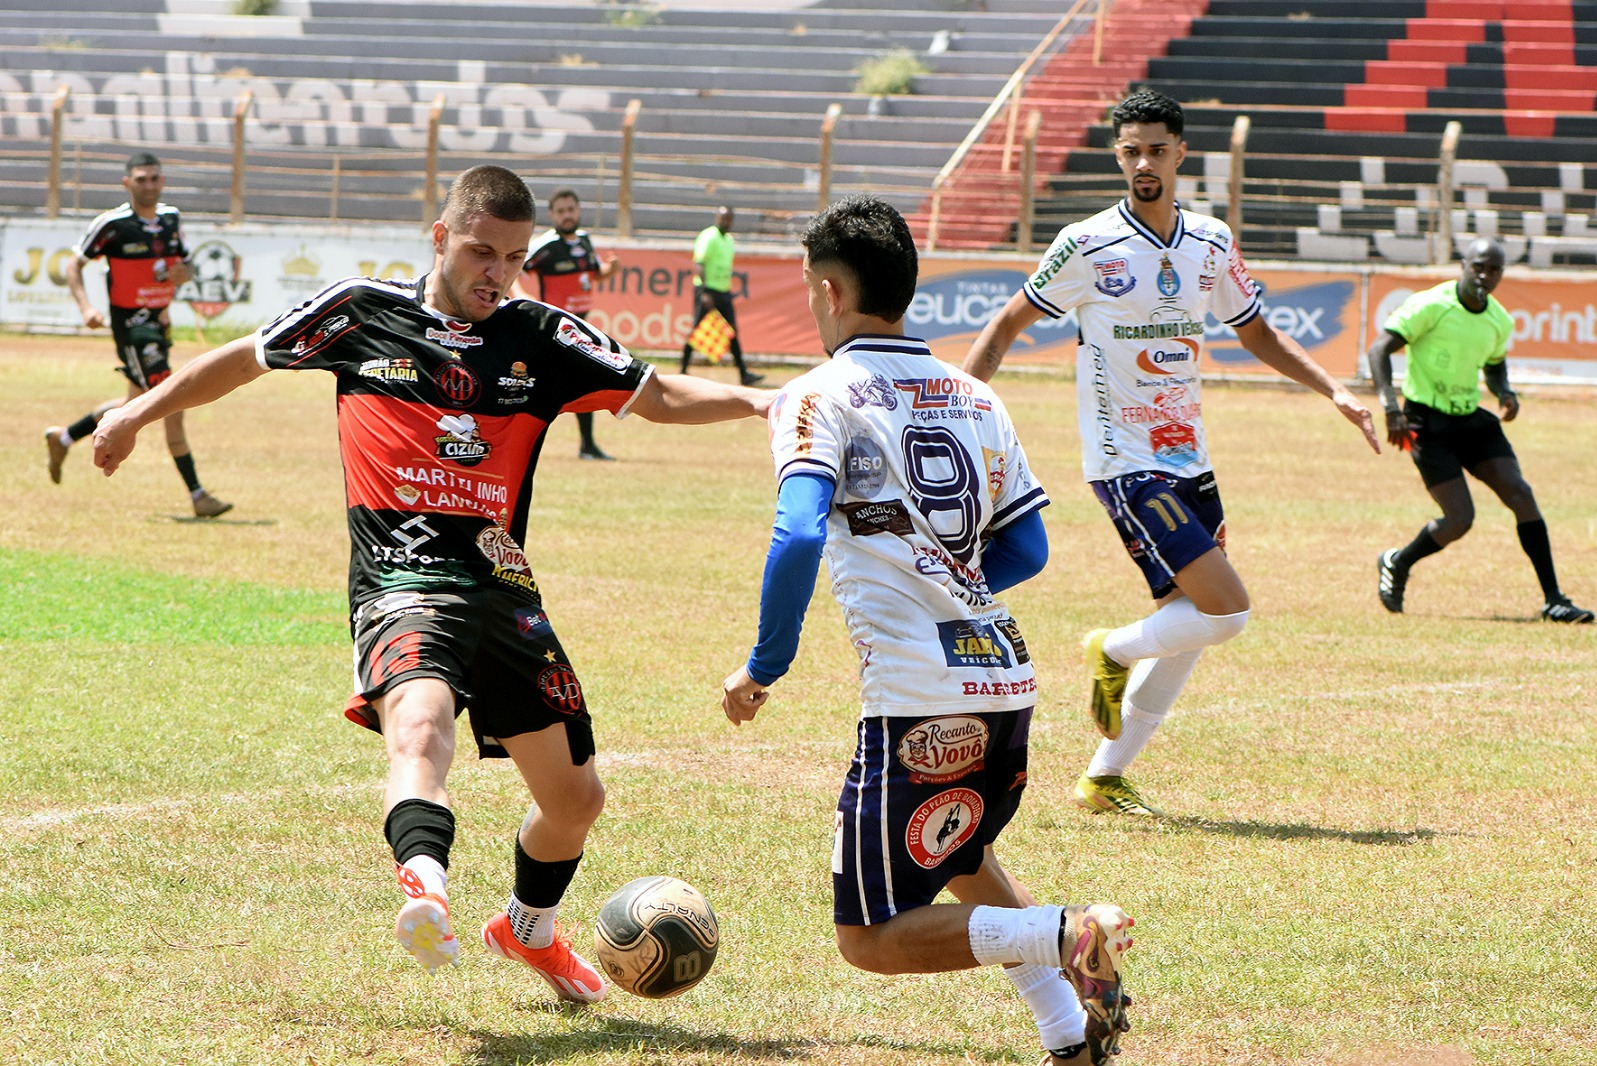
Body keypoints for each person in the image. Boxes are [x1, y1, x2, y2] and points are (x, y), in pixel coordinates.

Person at [93, 165, 772, 1001]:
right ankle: (427, 887)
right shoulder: (362, 312)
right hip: (400, 581)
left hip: (503, 591)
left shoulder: (543, 337)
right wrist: (132, 413)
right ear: (440, 237)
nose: (497, 273)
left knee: (575, 802)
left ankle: (527, 931)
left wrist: (765, 405)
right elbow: (241, 360)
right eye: (482, 251)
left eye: (514, 258)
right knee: (420, 726)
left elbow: (656, 394)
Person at [721, 194, 1133, 1066]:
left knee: (867, 936)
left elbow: (797, 530)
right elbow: (1028, 545)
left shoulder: (816, 395)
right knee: (959, 851)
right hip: (1003, 679)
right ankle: (1067, 1030)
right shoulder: (976, 396)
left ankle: (1067, 933)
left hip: (915, 701)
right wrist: (953, 579)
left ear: (830, 291)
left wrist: (764, 666)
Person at [962, 90, 1380, 817]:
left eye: (1157, 148)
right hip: (1127, 462)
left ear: (1182, 153)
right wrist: (958, 410)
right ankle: (1112, 649)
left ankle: (1103, 777)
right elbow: (1007, 324)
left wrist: (1334, 391)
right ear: (1118, 156)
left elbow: (1257, 333)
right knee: (1228, 611)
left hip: (1192, 459)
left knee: (1187, 626)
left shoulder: (1211, 241)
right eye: (1131, 151)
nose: (1143, 163)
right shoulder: (1087, 243)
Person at [1369, 238, 1593, 623]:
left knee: (1521, 494)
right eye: (1478, 266)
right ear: (1463, 265)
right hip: (1425, 423)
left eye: (1493, 270)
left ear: (1502, 274)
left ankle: (1554, 599)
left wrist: (1505, 393)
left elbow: (1494, 365)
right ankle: (1398, 562)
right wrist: (1391, 408)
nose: (1484, 276)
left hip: (1471, 421)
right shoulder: (1431, 305)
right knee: (1459, 519)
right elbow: (1379, 350)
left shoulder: (1499, 320)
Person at [44, 151, 232, 517]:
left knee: (134, 401)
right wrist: (86, 307)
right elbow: (74, 263)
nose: (148, 185)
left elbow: (186, 264)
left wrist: (185, 273)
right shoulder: (112, 224)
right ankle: (198, 496)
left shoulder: (171, 219)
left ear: (163, 182)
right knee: (172, 401)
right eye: (141, 179)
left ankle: (63, 437)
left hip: (158, 324)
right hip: (133, 329)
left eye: (154, 178)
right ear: (127, 183)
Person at [516, 187, 620, 461]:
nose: (567, 216)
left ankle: (587, 445)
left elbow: (594, 275)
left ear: (579, 210)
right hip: (555, 328)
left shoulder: (584, 240)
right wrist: (521, 294)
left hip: (580, 325)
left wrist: (611, 270)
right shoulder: (546, 246)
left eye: (571, 210)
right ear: (552, 215)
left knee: (582, 382)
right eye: (561, 211)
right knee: (533, 388)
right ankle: (518, 444)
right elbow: (514, 267)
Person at [678, 205, 764, 385]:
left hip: (724, 292)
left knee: (731, 330)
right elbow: (700, 263)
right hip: (708, 291)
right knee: (697, 328)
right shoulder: (708, 236)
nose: (726, 222)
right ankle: (683, 369)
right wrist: (704, 292)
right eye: (723, 218)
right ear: (717, 218)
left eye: (729, 219)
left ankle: (743, 373)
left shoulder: (729, 240)